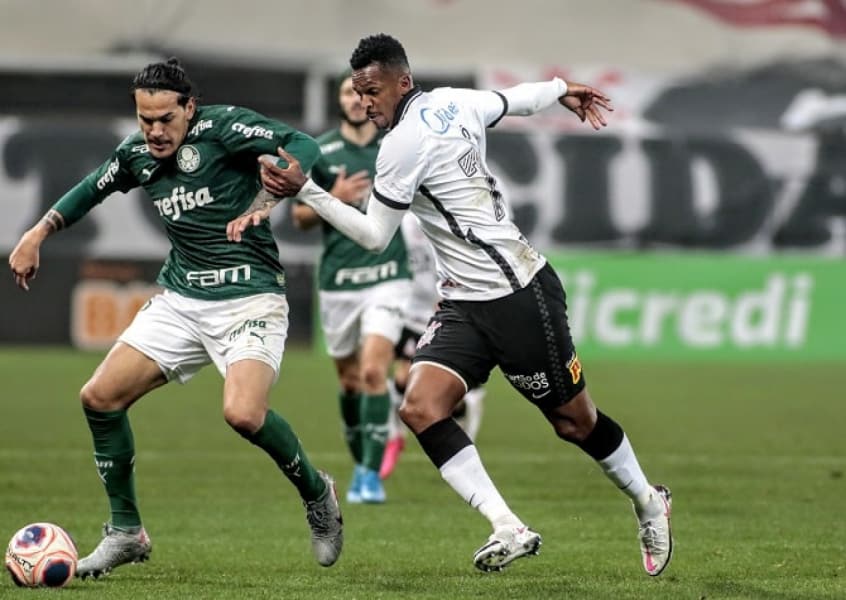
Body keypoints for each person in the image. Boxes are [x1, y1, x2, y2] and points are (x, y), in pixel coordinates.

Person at [229, 34, 673, 576]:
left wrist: (310, 192)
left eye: (373, 91)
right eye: (358, 93)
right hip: (463, 302)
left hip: (518, 293)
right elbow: (517, 100)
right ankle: (506, 525)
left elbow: (373, 235)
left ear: (402, 82)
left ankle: (649, 501)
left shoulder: (401, 146)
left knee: (574, 423)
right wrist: (562, 90)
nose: (367, 103)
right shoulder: (456, 101)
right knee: (419, 407)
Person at [7, 57, 343, 578]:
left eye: (166, 118)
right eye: (145, 119)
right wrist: (37, 233)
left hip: (250, 297)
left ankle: (318, 493)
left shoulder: (223, 126)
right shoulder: (136, 153)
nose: (155, 131)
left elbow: (303, 144)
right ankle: (126, 532)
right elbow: (89, 189)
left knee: (244, 415)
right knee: (99, 398)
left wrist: (273, 189)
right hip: (181, 300)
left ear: (189, 107)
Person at [291, 71, 411, 504]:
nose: (356, 98)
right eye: (347, 91)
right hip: (339, 279)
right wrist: (332, 196)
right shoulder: (320, 151)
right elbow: (299, 221)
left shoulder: (395, 144)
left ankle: (368, 474)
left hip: (388, 275)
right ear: (339, 100)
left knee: (374, 371)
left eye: (362, 91)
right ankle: (361, 459)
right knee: (349, 381)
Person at [379, 212, 485, 479]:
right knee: (403, 378)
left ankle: (463, 442)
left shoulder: (444, 218)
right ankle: (395, 438)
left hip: (445, 309)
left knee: (447, 395)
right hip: (411, 310)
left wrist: (449, 294)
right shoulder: (402, 220)